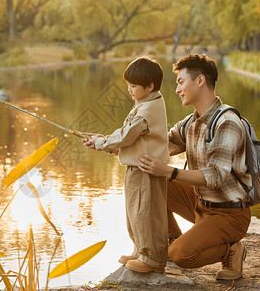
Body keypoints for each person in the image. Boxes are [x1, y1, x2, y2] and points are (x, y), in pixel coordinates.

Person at [137, 54, 251, 280]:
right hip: (200, 204)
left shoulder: (227, 122)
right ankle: (170, 239)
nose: (177, 89)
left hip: (229, 213)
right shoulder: (190, 123)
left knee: (182, 256)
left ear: (200, 81)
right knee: (150, 177)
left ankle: (232, 250)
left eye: (180, 82)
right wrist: (110, 144)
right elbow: (158, 146)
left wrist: (170, 171)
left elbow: (216, 175)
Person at [81, 57, 169, 273]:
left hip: (144, 171)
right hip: (137, 169)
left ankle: (153, 259)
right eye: (128, 85)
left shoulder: (147, 110)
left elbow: (127, 136)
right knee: (134, 213)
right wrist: (103, 140)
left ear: (149, 87)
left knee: (145, 213)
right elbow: (130, 138)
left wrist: (101, 142)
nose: (129, 89)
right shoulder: (146, 102)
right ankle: (140, 250)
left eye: (133, 86)